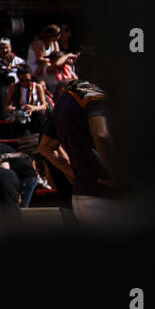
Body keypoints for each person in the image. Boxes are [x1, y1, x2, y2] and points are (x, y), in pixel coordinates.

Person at [38, 80, 115, 223]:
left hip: (82, 191)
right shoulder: (92, 93)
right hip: (105, 193)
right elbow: (101, 134)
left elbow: (45, 147)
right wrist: (116, 175)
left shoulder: (65, 99)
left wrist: (73, 173)